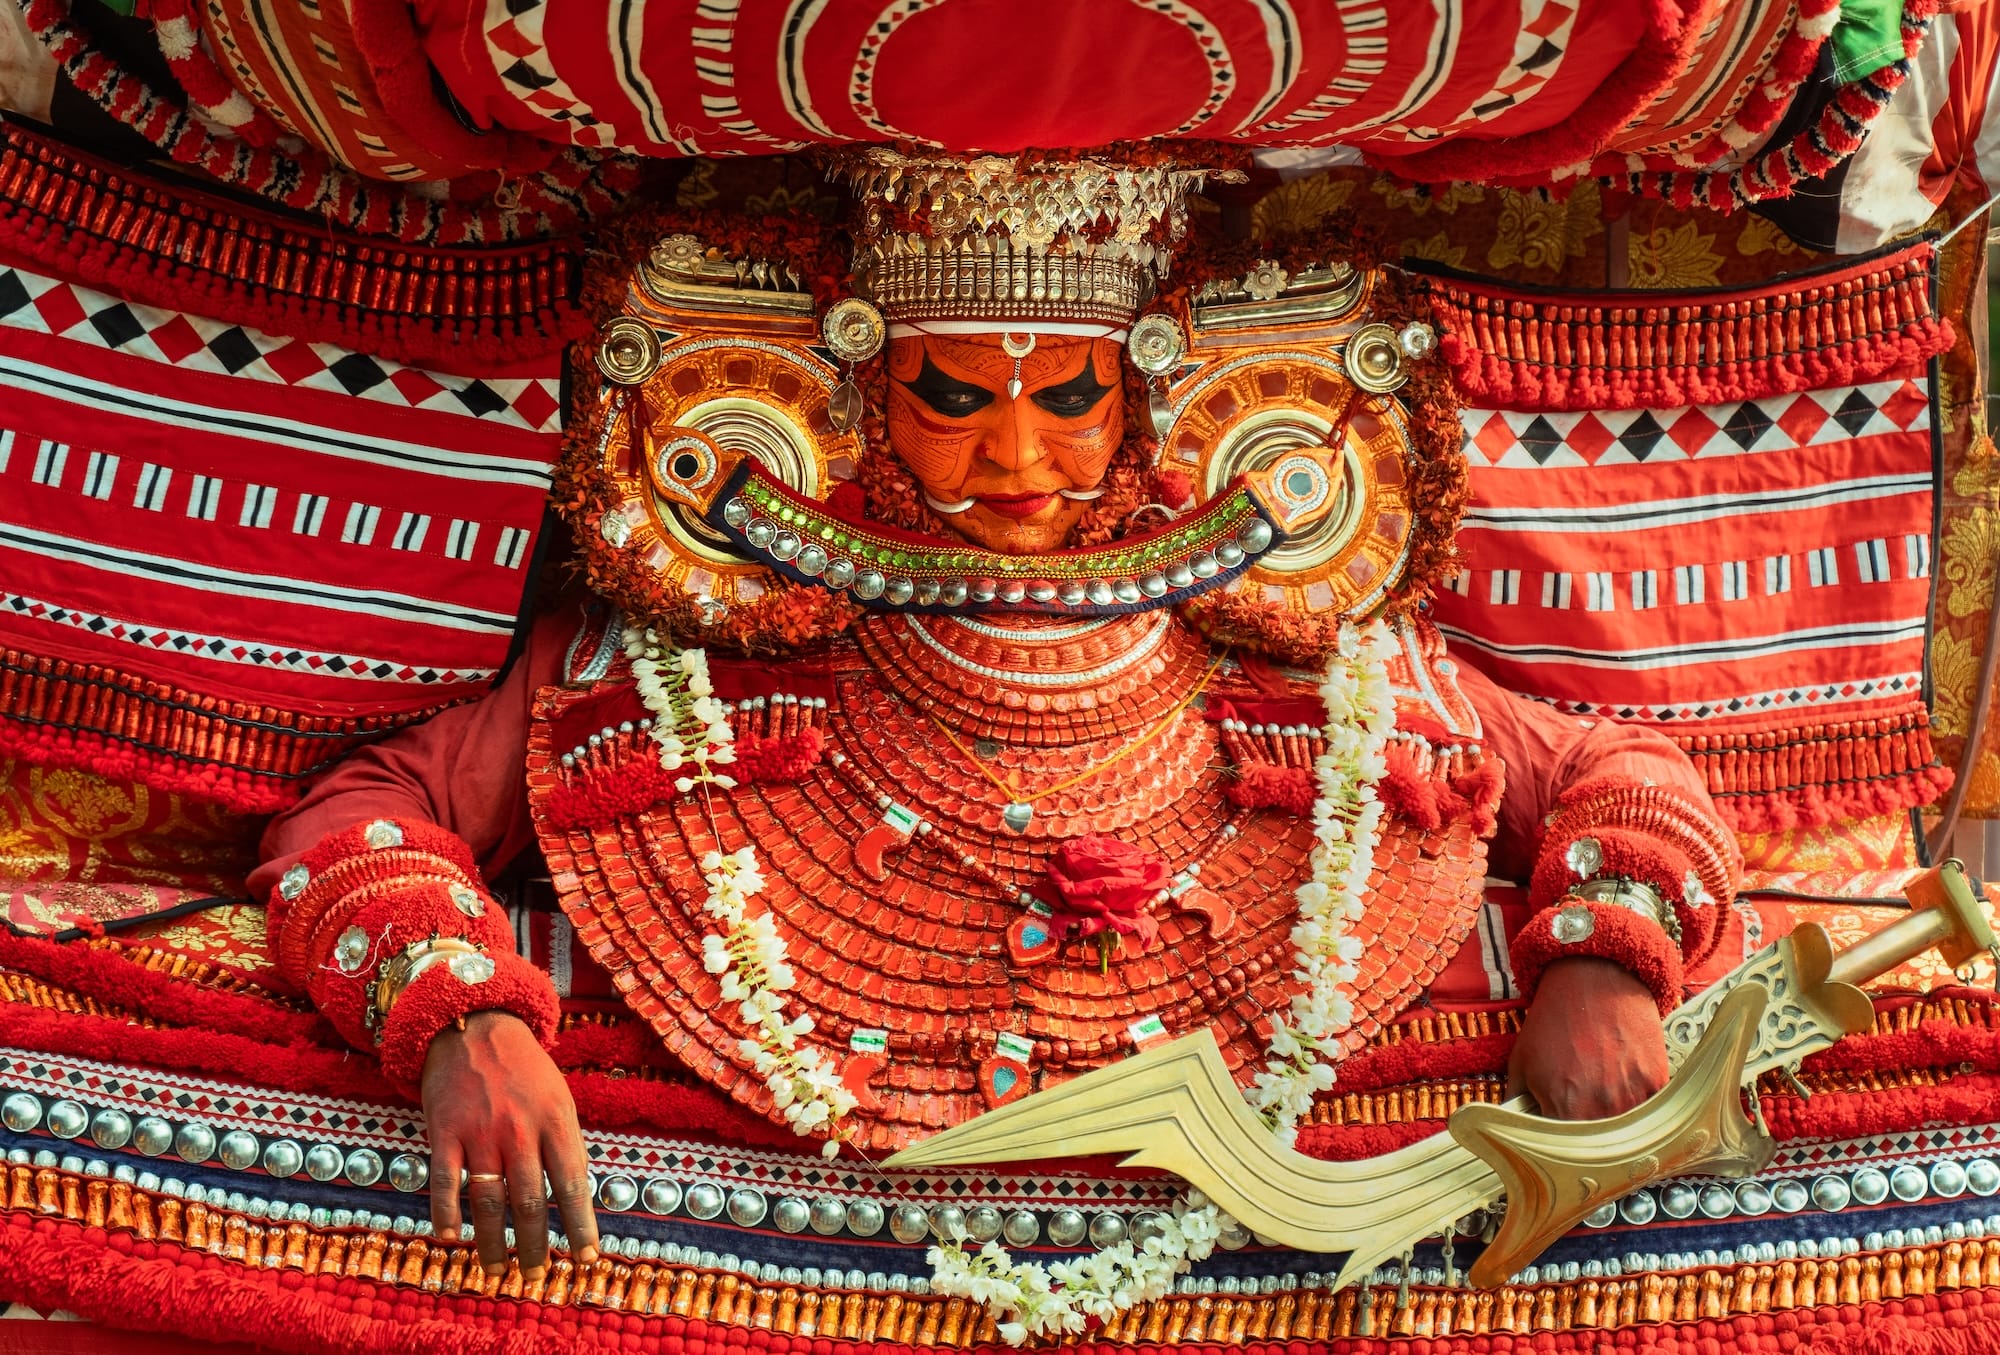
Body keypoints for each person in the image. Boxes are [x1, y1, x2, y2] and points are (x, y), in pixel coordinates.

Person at [248, 148, 1741, 1283]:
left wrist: (1600, 966)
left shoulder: (1315, 667)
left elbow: (1627, 774)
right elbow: (358, 816)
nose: (1020, 459)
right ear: (860, 399)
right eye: (956, 400)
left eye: (1070, 401)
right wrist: (460, 1020)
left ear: (1143, 401)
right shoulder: (691, 664)